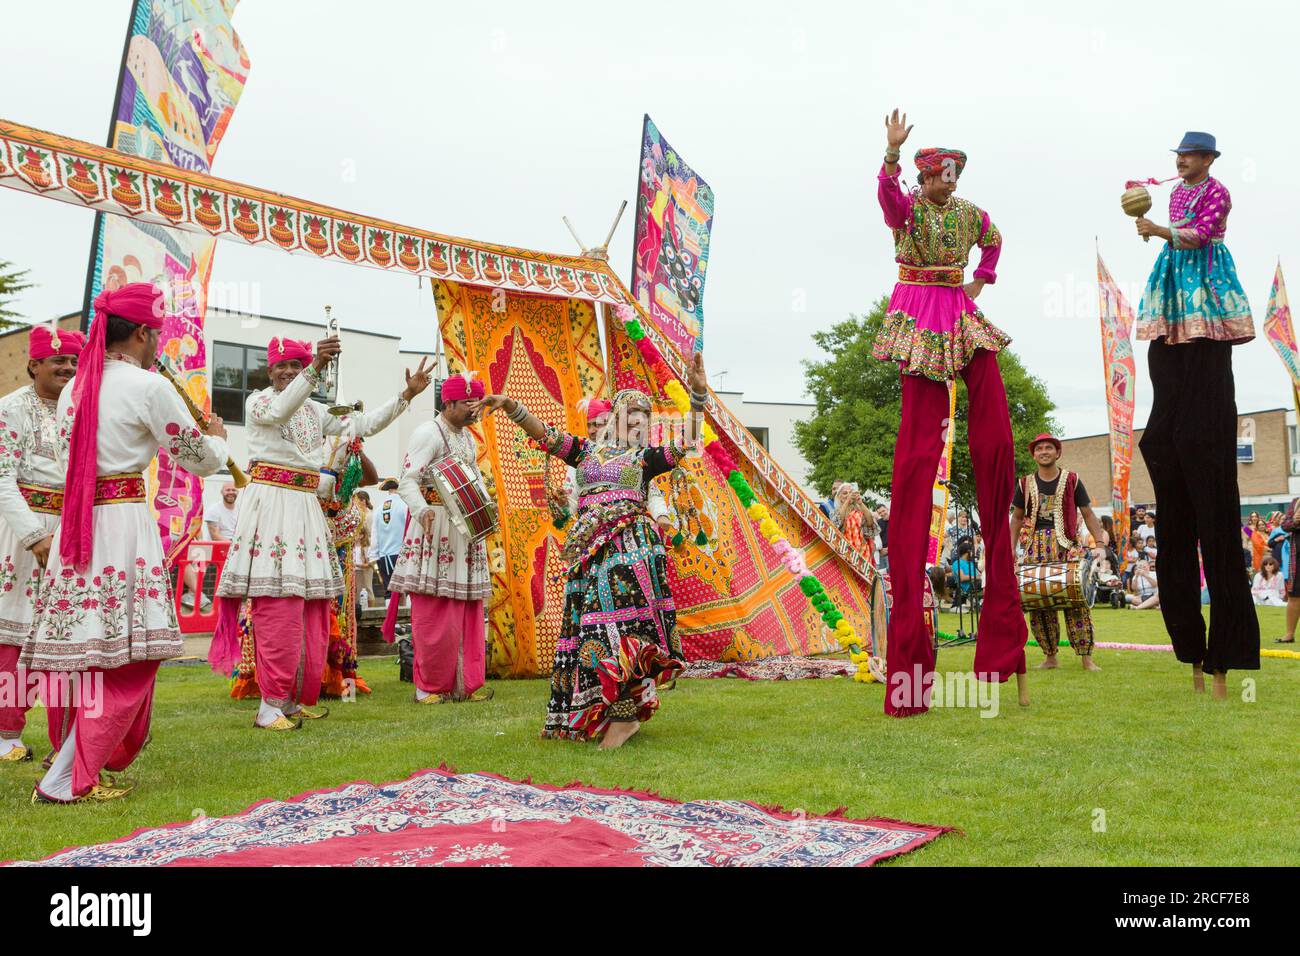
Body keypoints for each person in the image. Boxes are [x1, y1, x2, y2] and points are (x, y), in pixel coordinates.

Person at [25, 284, 229, 802]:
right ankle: (68, 776)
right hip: (121, 526)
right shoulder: (146, 387)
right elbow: (198, 458)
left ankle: (72, 764)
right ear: (142, 332)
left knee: (93, 656)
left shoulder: (78, 387)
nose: (159, 341)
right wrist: (217, 438)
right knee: (129, 657)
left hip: (81, 525)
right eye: (157, 332)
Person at [871, 108, 1028, 714]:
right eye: (941, 176)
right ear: (924, 176)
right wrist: (888, 152)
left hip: (957, 309)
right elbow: (886, 201)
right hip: (918, 306)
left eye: (955, 176)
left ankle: (1002, 639)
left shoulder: (968, 213)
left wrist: (982, 280)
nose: (949, 184)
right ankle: (911, 660)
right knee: (918, 445)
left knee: (992, 427)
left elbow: (994, 236)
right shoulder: (908, 207)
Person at [473, 352, 708, 748]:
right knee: (592, 632)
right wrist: (512, 406)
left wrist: (698, 396)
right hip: (589, 556)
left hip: (629, 552)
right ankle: (598, 712)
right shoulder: (584, 452)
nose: (637, 421)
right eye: (629, 413)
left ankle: (624, 719)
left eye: (644, 416)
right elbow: (545, 435)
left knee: (622, 629)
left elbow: (687, 441)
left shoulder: (646, 459)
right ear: (614, 417)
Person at [210, 336, 428, 730]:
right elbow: (280, 409)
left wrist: (405, 396)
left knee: (310, 608)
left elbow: (362, 424)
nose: (290, 371)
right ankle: (269, 707)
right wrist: (313, 369)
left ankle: (292, 700)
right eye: (283, 366)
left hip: (306, 508)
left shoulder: (314, 409)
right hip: (273, 504)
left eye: (297, 364)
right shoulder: (258, 401)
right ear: (269, 369)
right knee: (279, 604)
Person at [1134, 130, 1259, 698]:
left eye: (1187, 154)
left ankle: (1226, 657)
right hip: (1173, 285)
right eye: (1178, 155)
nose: (1180, 161)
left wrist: (1159, 229)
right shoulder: (1177, 191)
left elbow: (1200, 235)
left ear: (1207, 159)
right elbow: (1168, 223)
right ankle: (1190, 650)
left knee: (1201, 428)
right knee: (1164, 436)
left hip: (1203, 283)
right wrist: (1143, 205)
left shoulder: (1217, 192)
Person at [0, 325, 85, 764]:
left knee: (60, 633)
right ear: (33, 365)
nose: (67, 369)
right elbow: (2, 478)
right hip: (21, 531)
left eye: (73, 361)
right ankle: (6, 734)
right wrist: (34, 536)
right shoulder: (11, 409)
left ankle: (66, 737)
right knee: (13, 629)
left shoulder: (82, 409)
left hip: (69, 530)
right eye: (58, 361)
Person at [386, 372, 494, 704]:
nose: (475, 410)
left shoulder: (468, 438)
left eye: (478, 403)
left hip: (465, 532)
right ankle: (428, 687)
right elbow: (407, 480)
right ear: (448, 403)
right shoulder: (426, 433)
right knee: (436, 612)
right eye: (468, 403)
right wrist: (422, 510)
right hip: (435, 530)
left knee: (466, 610)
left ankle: (465, 683)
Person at [1010, 434, 1105, 671]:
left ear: (1057, 452)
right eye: (1039, 448)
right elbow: (1017, 518)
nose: (1044, 451)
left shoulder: (1072, 480)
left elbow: (1088, 513)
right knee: (1038, 603)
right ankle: (1050, 657)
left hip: (1067, 547)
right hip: (1034, 548)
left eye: (1049, 448)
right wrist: (1011, 549)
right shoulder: (1024, 483)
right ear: (1034, 455)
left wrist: (1100, 544)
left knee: (1077, 601)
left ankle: (1086, 658)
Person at [371, 478, 408, 597]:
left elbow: (374, 535)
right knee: (408, 590)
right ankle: (408, 615)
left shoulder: (378, 509)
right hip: (402, 554)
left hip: (384, 556)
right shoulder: (405, 505)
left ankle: (390, 615)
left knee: (389, 591)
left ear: (389, 491)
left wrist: (374, 555)